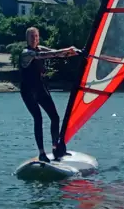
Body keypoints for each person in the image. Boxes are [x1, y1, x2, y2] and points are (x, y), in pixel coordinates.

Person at [19, 26, 80, 163]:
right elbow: (48, 55)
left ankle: (55, 147)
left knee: (55, 117)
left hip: (40, 88)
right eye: (31, 36)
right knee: (38, 119)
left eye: (36, 36)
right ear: (27, 39)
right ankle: (41, 153)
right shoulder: (26, 53)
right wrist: (65, 50)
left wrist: (72, 52)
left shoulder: (40, 48)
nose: (34, 39)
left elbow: (55, 53)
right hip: (28, 92)